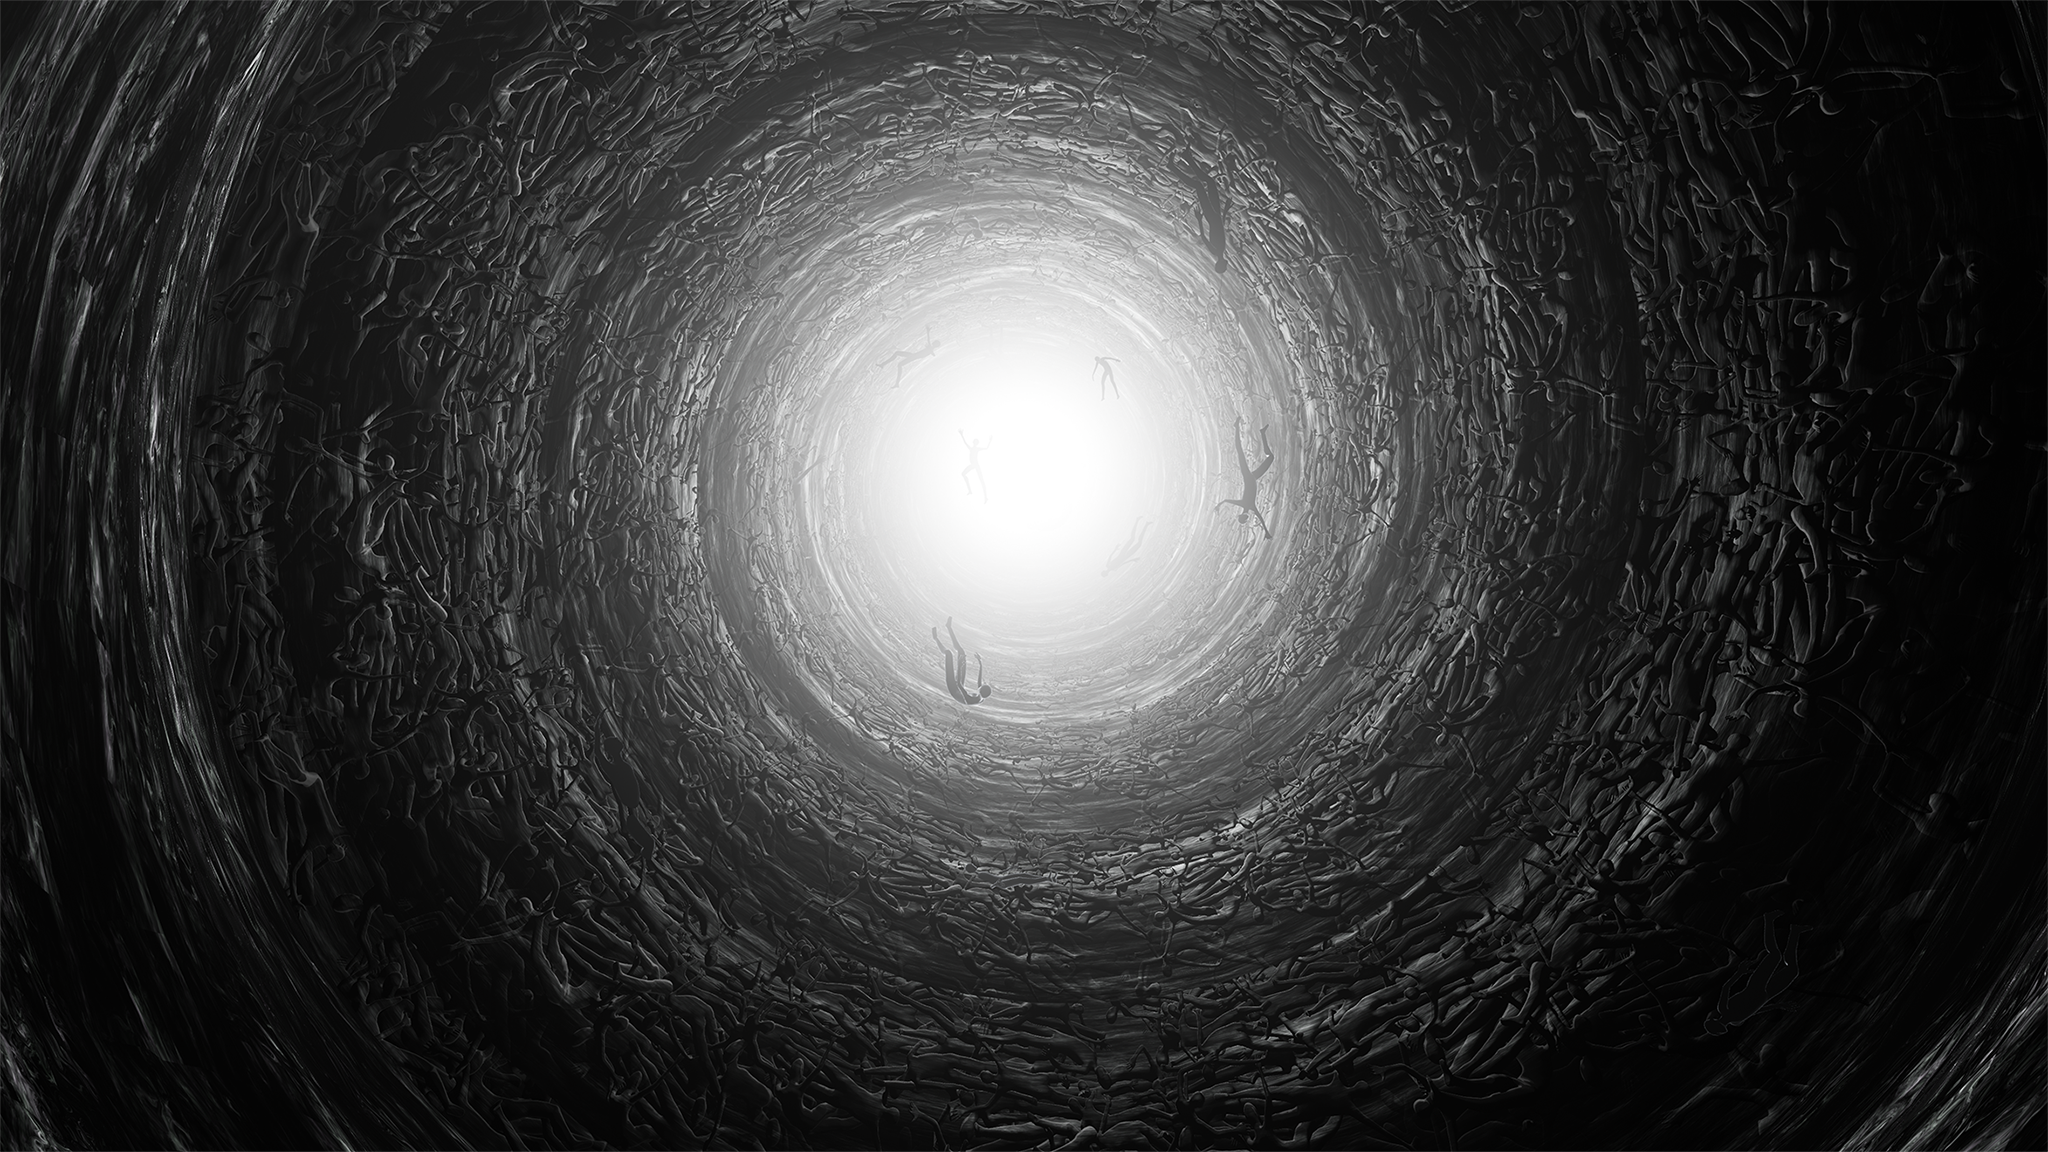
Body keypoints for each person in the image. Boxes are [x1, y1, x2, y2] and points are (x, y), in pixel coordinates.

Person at [1215, 417, 1274, 538]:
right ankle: (1262, 433)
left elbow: (1227, 500)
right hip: (1254, 477)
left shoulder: (1244, 504)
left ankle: (1236, 426)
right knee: (1270, 458)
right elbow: (1261, 519)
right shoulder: (1251, 507)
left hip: (1248, 476)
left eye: (1245, 518)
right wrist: (1266, 532)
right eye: (1246, 519)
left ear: (1244, 515)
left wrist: (1219, 505)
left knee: (1240, 451)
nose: (1247, 517)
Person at [933, 618, 992, 705]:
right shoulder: (982, 695)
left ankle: (935, 638)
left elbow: (959, 685)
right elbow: (979, 683)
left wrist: (960, 667)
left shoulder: (971, 700)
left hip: (954, 689)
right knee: (961, 652)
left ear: (980, 690)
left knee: (949, 654)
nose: (980, 685)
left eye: (981, 686)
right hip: (960, 688)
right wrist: (980, 663)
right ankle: (949, 627)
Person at [959, 430, 991, 503]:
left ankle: (985, 497)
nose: (974, 443)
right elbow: (965, 443)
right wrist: (961, 435)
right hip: (973, 465)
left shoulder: (976, 449)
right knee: (963, 474)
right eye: (974, 442)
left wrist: (990, 441)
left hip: (976, 465)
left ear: (976, 443)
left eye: (975, 442)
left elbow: (986, 448)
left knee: (981, 480)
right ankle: (970, 490)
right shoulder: (972, 448)